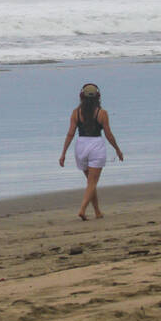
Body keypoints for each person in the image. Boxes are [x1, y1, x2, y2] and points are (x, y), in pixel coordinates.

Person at [59, 83, 124, 220]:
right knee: (92, 182)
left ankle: (97, 212)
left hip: (81, 146)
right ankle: (82, 209)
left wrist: (63, 153)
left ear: (81, 96)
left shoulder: (76, 113)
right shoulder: (102, 113)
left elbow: (70, 134)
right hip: (96, 146)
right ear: (98, 97)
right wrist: (117, 149)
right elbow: (108, 134)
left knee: (90, 182)